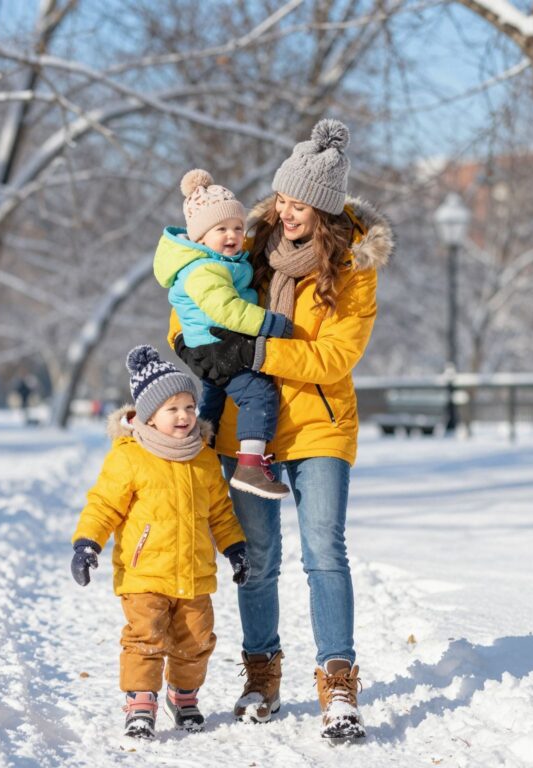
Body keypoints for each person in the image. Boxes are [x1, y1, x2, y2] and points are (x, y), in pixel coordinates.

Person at [170, 119, 393, 741]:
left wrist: (256, 355)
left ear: (322, 209)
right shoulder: (246, 240)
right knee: (257, 559)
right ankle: (261, 675)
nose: (286, 212)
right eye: (283, 199)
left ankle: (338, 680)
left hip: (319, 425)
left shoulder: (354, 268)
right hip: (247, 429)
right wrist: (195, 351)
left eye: (299, 204)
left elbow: (333, 359)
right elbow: (189, 301)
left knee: (324, 552)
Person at [69, 345, 251, 739]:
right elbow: (103, 505)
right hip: (144, 574)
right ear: (149, 415)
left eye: (188, 406)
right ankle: (140, 701)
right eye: (172, 409)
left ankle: (184, 696)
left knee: (196, 638)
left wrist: (235, 548)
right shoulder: (130, 457)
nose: (184, 416)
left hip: (194, 573)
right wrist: (87, 543)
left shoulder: (202, 457)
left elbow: (220, 512)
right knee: (144, 638)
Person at [153, 168, 293, 500]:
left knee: (214, 402)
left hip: (208, 346)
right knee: (257, 394)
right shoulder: (204, 269)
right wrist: (270, 324)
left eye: (237, 228)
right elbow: (227, 310)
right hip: (220, 346)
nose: (232, 235)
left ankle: (203, 451)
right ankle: (250, 465)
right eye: (221, 229)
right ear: (201, 237)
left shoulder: (216, 261)